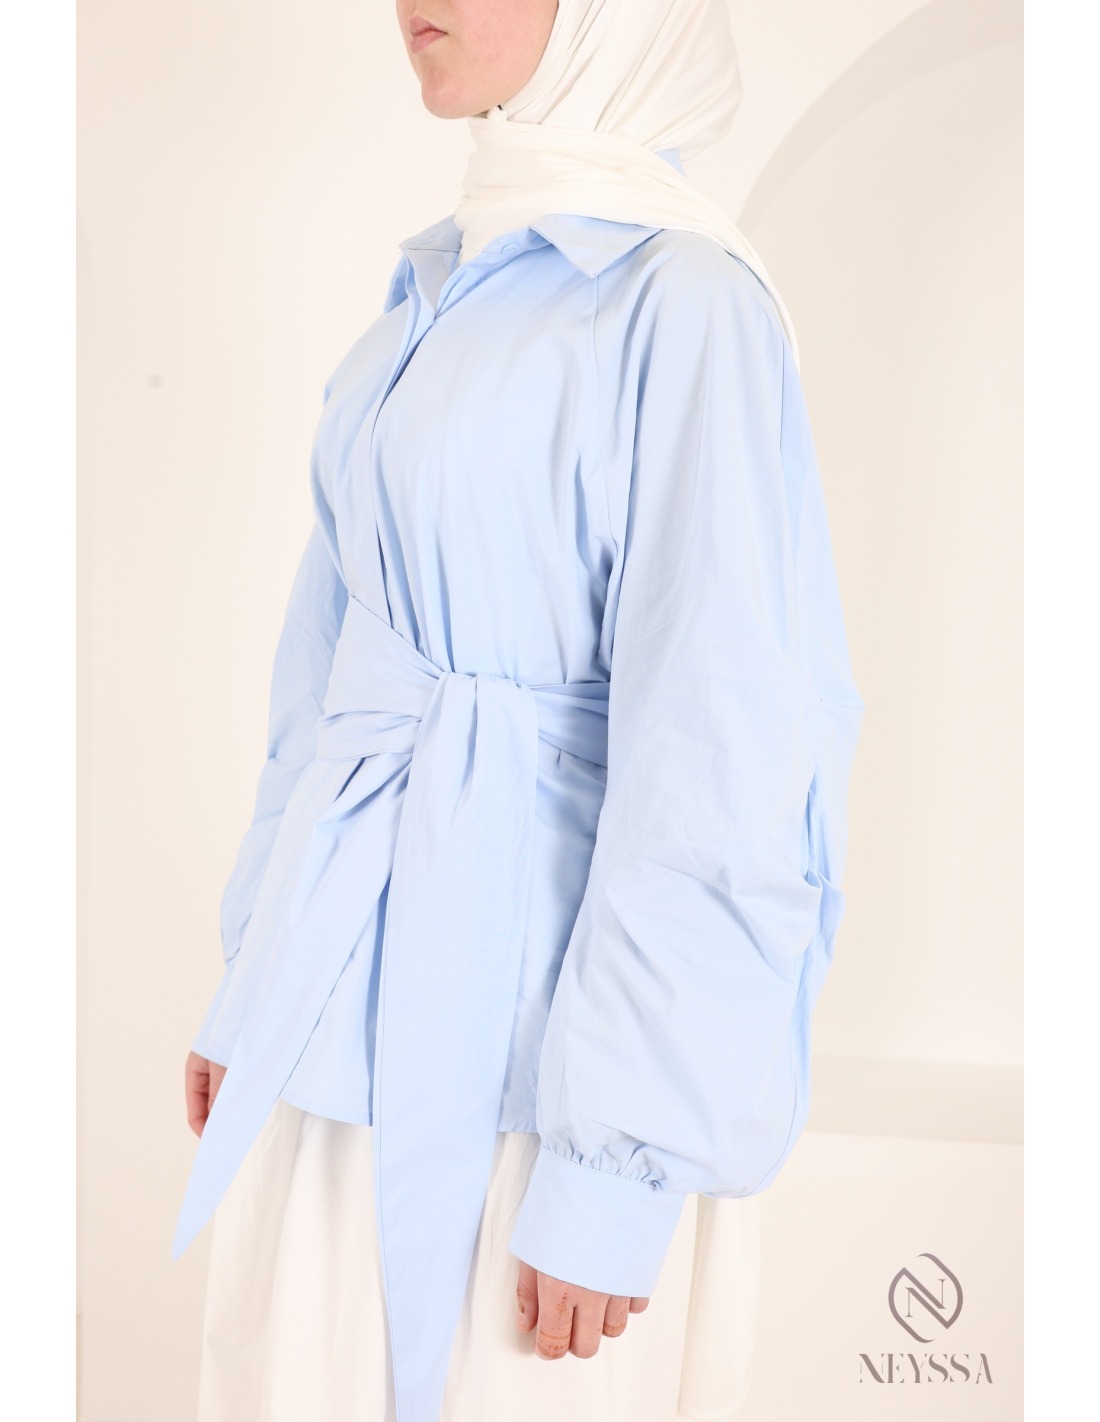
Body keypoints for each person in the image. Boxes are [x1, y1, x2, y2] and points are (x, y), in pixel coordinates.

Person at [175, 2, 866, 1419]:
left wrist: (619, 1165)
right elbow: (330, 676)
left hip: (540, 1085)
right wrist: (260, 970)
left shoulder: (686, 304)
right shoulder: (438, 284)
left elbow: (726, 746)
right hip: (334, 1037)